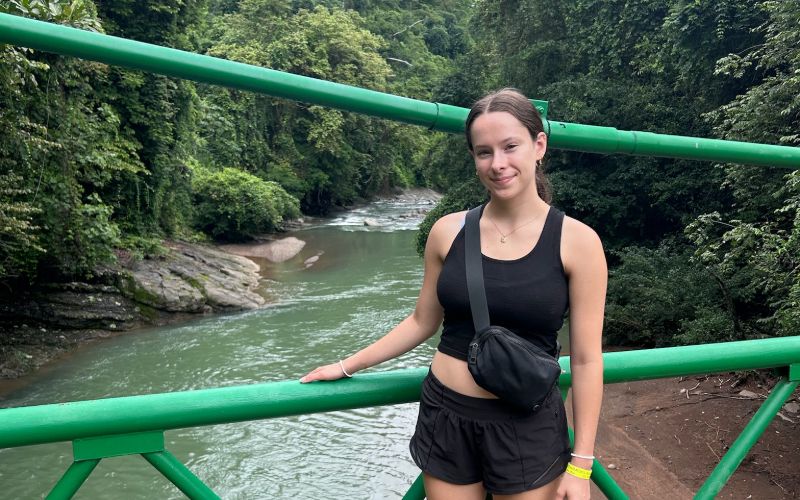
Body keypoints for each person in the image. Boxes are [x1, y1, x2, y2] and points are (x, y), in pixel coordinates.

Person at [301, 88, 607, 500]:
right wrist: (346, 365)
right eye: (484, 152)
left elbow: (586, 360)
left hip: (525, 425)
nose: (497, 164)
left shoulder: (578, 242)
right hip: (446, 416)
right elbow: (421, 321)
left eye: (510, 147)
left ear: (539, 146)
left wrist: (581, 464)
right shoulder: (447, 231)